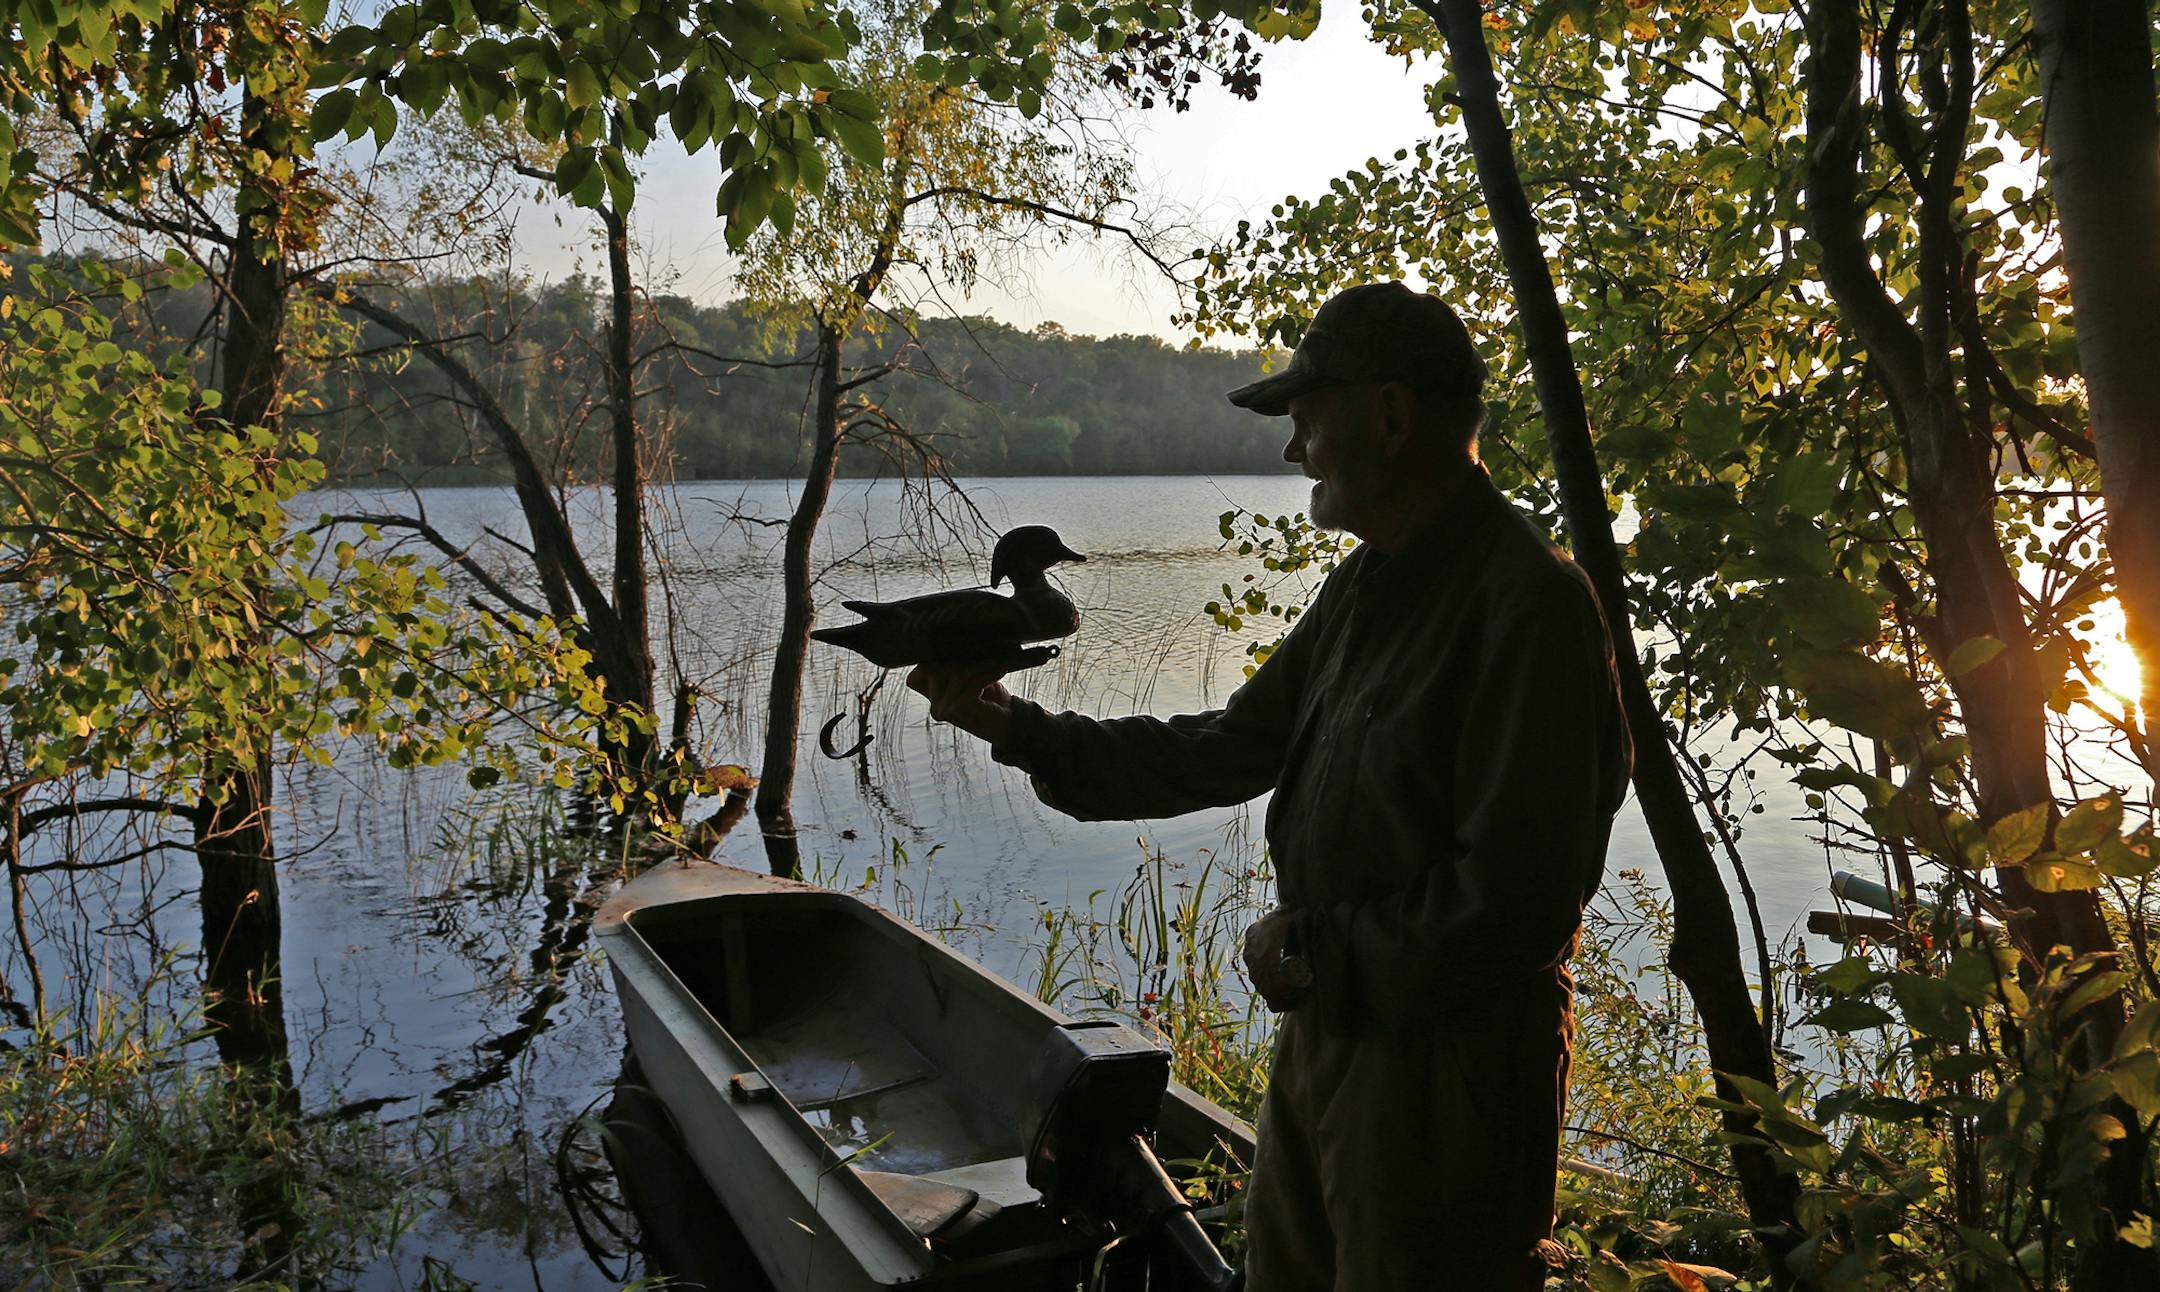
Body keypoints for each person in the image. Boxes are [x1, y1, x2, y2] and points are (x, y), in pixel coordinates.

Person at [909, 281, 1631, 1290]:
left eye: (1308, 419)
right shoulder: (1366, 586)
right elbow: (1226, 743)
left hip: (1450, 1085)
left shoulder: (1531, 608)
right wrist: (1020, 726)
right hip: (1326, 1041)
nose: (1295, 450)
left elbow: (1514, 903)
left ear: (1390, 415)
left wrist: (1315, 950)